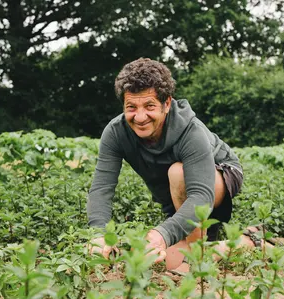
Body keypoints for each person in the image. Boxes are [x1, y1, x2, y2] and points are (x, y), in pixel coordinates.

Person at [87, 58, 249, 275]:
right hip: (177, 191)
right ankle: (214, 245)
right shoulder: (116, 132)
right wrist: (98, 235)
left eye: (149, 106)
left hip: (219, 175)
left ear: (167, 104)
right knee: (155, 258)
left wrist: (162, 234)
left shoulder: (190, 131)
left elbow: (201, 195)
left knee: (178, 174)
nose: (140, 116)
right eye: (131, 107)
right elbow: (101, 188)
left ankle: (224, 247)